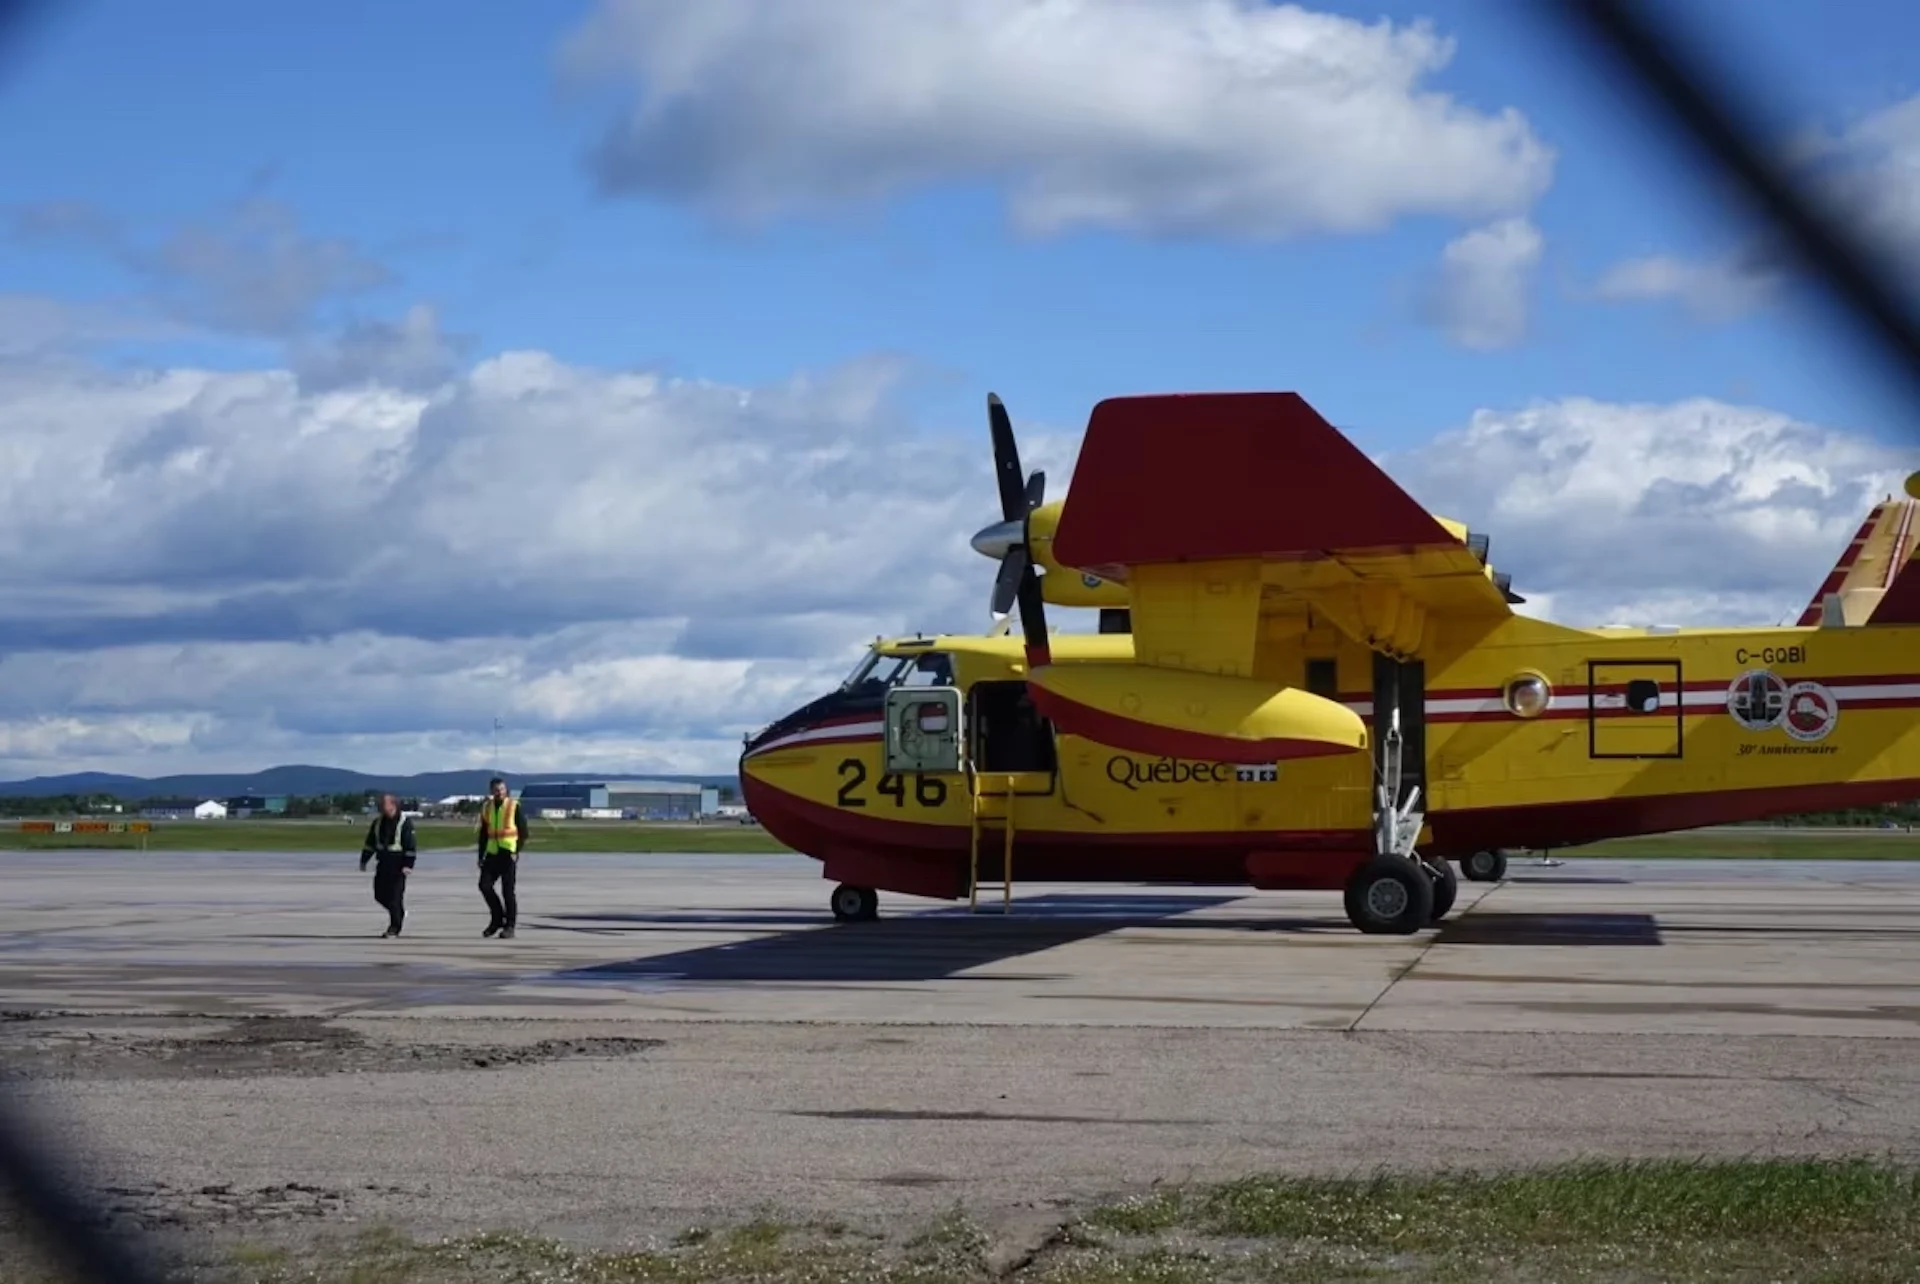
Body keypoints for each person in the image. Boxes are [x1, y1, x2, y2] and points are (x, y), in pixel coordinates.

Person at [476, 776, 530, 938]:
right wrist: (481, 855)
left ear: (506, 790)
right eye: (496, 790)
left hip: (508, 854)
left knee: (508, 892)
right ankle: (497, 918)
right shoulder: (487, 807)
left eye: (501, 789)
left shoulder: (513, 806)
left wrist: (516, 851)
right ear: (491, 791)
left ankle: (510, 926)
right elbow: (484, 834)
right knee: (484, 886)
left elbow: (524, 832)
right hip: (492, 854)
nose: (499, 792)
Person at [358, 794, 417, 938]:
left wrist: (408, 865)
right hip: (383, 863)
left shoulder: (405, 822)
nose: (381, 806)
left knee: (395, 897)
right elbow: (370, 843)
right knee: (379, 895)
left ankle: (394, 928)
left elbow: (411, 845)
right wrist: (364, 860)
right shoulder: (378, 822)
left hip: (398, 865)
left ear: (393, 805)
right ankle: (399, 913)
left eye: (383, 804)